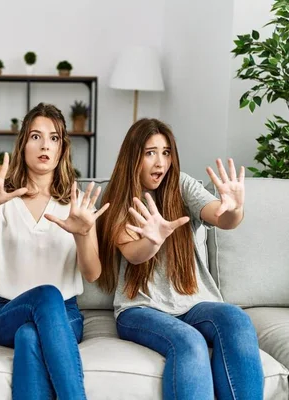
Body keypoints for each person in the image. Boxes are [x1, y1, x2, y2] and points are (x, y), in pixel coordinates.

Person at [96, 118, 263, 400]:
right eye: (150, 153)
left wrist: (234, 209)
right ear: (133, 156)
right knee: (190, 342)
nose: (160, 162)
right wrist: (152, 240)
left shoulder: (182, 185)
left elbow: (221, 218)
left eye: (166, 152)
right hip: (140, 309)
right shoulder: (118, 198)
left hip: (194, 304)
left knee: (236, 319)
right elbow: (134, 255)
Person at [0, 103, 109, 400]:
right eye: (36, 136)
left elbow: (93, 273)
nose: (45, 145)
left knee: (29, 335)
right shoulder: (2, 197)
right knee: (45, 295)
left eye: (54, 138)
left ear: (62, 149)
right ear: (23, 144)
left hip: (65, 316)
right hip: (5, 312)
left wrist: (82, 234)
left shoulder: (77, 203)